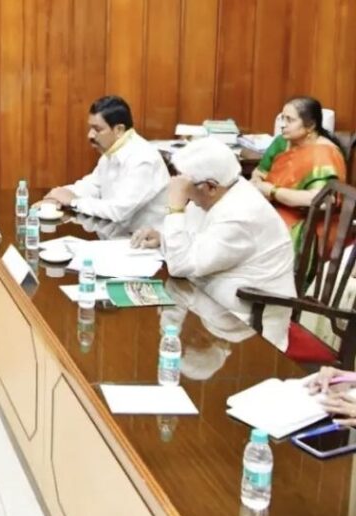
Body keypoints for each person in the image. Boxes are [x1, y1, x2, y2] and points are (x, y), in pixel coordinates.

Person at [130, 138, 296, 350]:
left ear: (210, 187)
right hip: (207, 301)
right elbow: (192, 245)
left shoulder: (241, 215)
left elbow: (180, 266)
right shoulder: (221, 191)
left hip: (244, 321)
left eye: (185, 186)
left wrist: (175, 207)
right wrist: (163, 238)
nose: (181, 190)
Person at [40, 96, 169, 231]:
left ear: (119, 130)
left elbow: (119, 211)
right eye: (91, 128)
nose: (90, 135)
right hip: (115, 234)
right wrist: (61, 195)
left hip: (140, 240)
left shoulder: (143, 159)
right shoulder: (113, 150)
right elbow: (94, 185)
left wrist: (74, 202)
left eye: (97, 129)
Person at [250, 96, 347, 249]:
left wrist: (272, 191)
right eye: (282, 118)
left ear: (311, 125)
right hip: (270, 208)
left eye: (290, 120)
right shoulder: (281, 142)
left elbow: (321, 201)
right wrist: (258, 183)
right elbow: (258, 173)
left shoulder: (324, 153)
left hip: (307, 222)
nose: (283, 125)